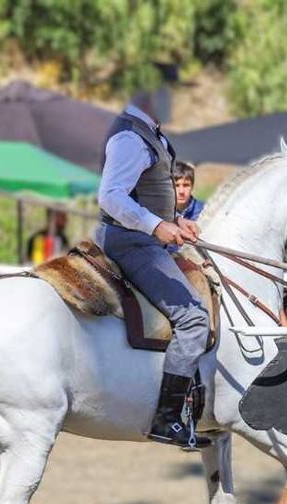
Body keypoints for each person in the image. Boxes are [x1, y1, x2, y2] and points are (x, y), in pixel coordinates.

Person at [97, 93, 210, 449]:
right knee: (195, 320)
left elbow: (143, 193)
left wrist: (174, 219)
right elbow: (111, 196)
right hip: (133, 242)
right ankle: (167, 419)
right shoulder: (131, 137)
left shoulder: (149, 132)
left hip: (143, 237)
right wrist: (156, 226)